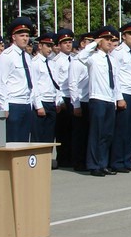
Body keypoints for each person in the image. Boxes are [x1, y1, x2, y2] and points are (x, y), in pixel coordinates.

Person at [76, 26, 122, 177]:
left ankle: (103, 163)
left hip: (109, 99)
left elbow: (116, 82)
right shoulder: (93, 57)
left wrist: (117, 99)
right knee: (97, 133)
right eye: (106, 39)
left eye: (111, 39)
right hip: (97, 98)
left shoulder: (112, 59)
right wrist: (93, 44)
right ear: (100, 41)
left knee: (107, 134)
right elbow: (80, 58)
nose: (110, 42)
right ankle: (94, 164)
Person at [0, 17, 39, 143]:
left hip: (26, 103)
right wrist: (4, 107)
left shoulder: (27, 56)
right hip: (13, 104)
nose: (25, 38)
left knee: (24, 142)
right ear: (14, 37)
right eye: (22, 35)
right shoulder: (7, 56)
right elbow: (1, 83)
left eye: (27, 35)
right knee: (12, 141)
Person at [111, 22, 131, 173]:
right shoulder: (118, 52)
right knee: (121, 130)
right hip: (123, 93)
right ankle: (117, 161)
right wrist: (119, 97)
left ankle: (126, 160)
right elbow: (115, 76)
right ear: (123, 36)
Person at [69, 32, 94, 172]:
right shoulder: (77, 61)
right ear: (83, 44)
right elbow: (73, 84)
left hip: (91, 100)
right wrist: (76, 105)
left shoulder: (93, 59)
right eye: (89, 41)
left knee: (89, 134)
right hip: (80, 100)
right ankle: (78, 162)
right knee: (80, 134)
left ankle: (87, 160)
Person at [52, 28, 75, 168]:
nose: (68, 45)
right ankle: (63, 158)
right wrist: (59, 100)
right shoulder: (57, 61)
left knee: (72, 129)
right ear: (59, 45)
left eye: (70, 42)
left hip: (72, 96)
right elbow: (55, 82)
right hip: (63, 97)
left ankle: (71, 156)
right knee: (63, 130)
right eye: (65, 42)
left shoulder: (73, 58)